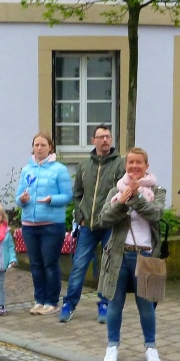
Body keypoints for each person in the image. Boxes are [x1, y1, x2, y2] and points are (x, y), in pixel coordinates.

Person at [97, 147, 165, 361]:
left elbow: (156, 213)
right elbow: (103, 219)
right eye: (131, 162)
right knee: (115, 303)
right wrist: (121, 201)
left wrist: (135, 198)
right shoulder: (116, 190)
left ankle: (151, 347)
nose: (134, 166)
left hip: (146, 256)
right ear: (125, 166)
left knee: (146, 306)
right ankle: (112, 345)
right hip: (119, 254)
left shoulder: (157, 190)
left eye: (139, 162)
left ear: (146, 166)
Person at [60, 125, 125, 323]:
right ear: (93, 140)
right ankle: (69, 304)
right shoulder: (84, 165)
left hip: (110, 225)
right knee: (79, 266)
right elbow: (77, 194)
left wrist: (114, 216)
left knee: (107, 267)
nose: (105, 140)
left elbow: (123, 194)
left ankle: (105, 304)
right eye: (101, 137)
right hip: (88, 226)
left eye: (108, 137)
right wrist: (80, 216)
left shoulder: (120, 165)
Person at [16, 132, 73, 315]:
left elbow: (67, 196)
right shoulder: (27, 169)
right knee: (35, 264)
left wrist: (52, 199)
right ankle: (39, 300)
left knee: (50, 263)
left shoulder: (59, 169)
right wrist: (22, 199)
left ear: (50, 148)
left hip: (52, 224)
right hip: (29, 225)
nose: (39, 148)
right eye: (36, 145)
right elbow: (18, 198)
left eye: (43, 145)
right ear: (32, 147)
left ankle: (52, 301)